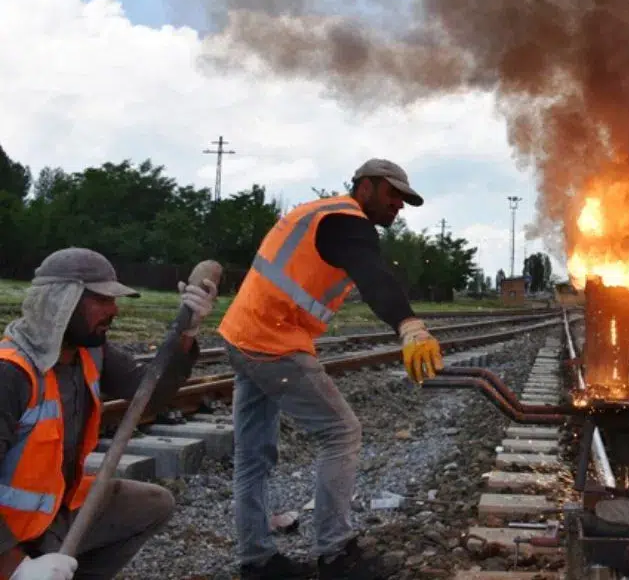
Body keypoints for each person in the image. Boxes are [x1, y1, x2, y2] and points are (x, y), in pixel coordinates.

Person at [217, 158, 444, 580]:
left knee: (251, 457)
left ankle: (257, 561)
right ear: (366, 187)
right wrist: (408, 325)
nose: (399, 206)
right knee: (341, 431)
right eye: (393, 195)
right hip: (273, 340)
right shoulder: (347, 222)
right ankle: (336, 554)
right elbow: (374, 275)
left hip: (242, 334)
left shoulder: (319, 216)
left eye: (405, 200)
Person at [0, 248, 216, 580]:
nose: (114, 310)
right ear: (63, 302)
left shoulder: (90, 352)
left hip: (53, 517)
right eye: (102, 300)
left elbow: (151, 393)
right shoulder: (10, 374)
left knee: (152, 505)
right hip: (9, 533)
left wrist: (186, 334)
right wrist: (16, 567)